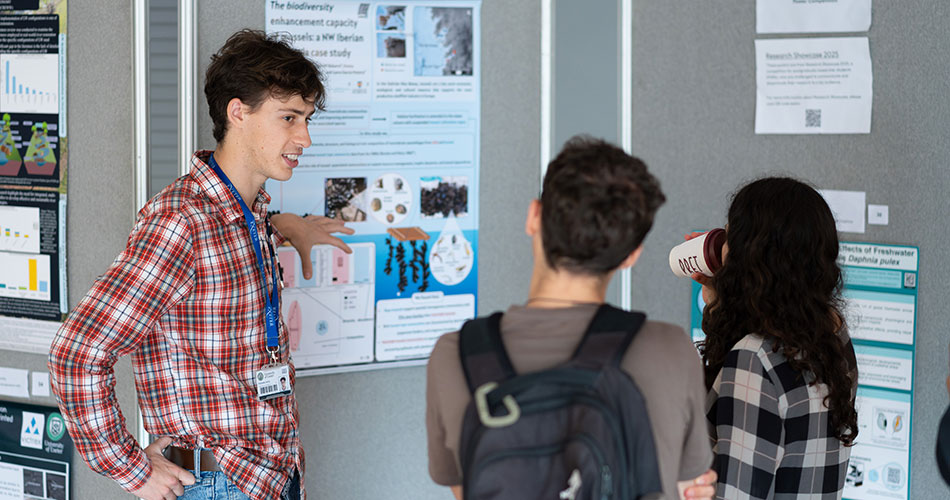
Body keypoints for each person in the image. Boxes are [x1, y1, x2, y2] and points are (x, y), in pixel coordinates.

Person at [48, 30, 352, 500]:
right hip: (214, 484)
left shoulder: (247, 215)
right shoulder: (181, 223)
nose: (305, 138)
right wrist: (131, 470)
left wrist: (291, 225)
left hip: (271, 471)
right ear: (238, 113)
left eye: (307, 119)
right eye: (289, 117)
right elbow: (78, 351)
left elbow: (234, 248)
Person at [426, 136, 717, 499]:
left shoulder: (453, 355)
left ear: (534, 216)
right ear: (632, 255)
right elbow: (688, 487)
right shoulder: (672, 350)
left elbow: (467, 489)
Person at [691, 177, 859, 499]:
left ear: (748, 259)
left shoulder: (755, 359)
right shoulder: (833, 334)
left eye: (729, 237)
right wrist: (722, 302)